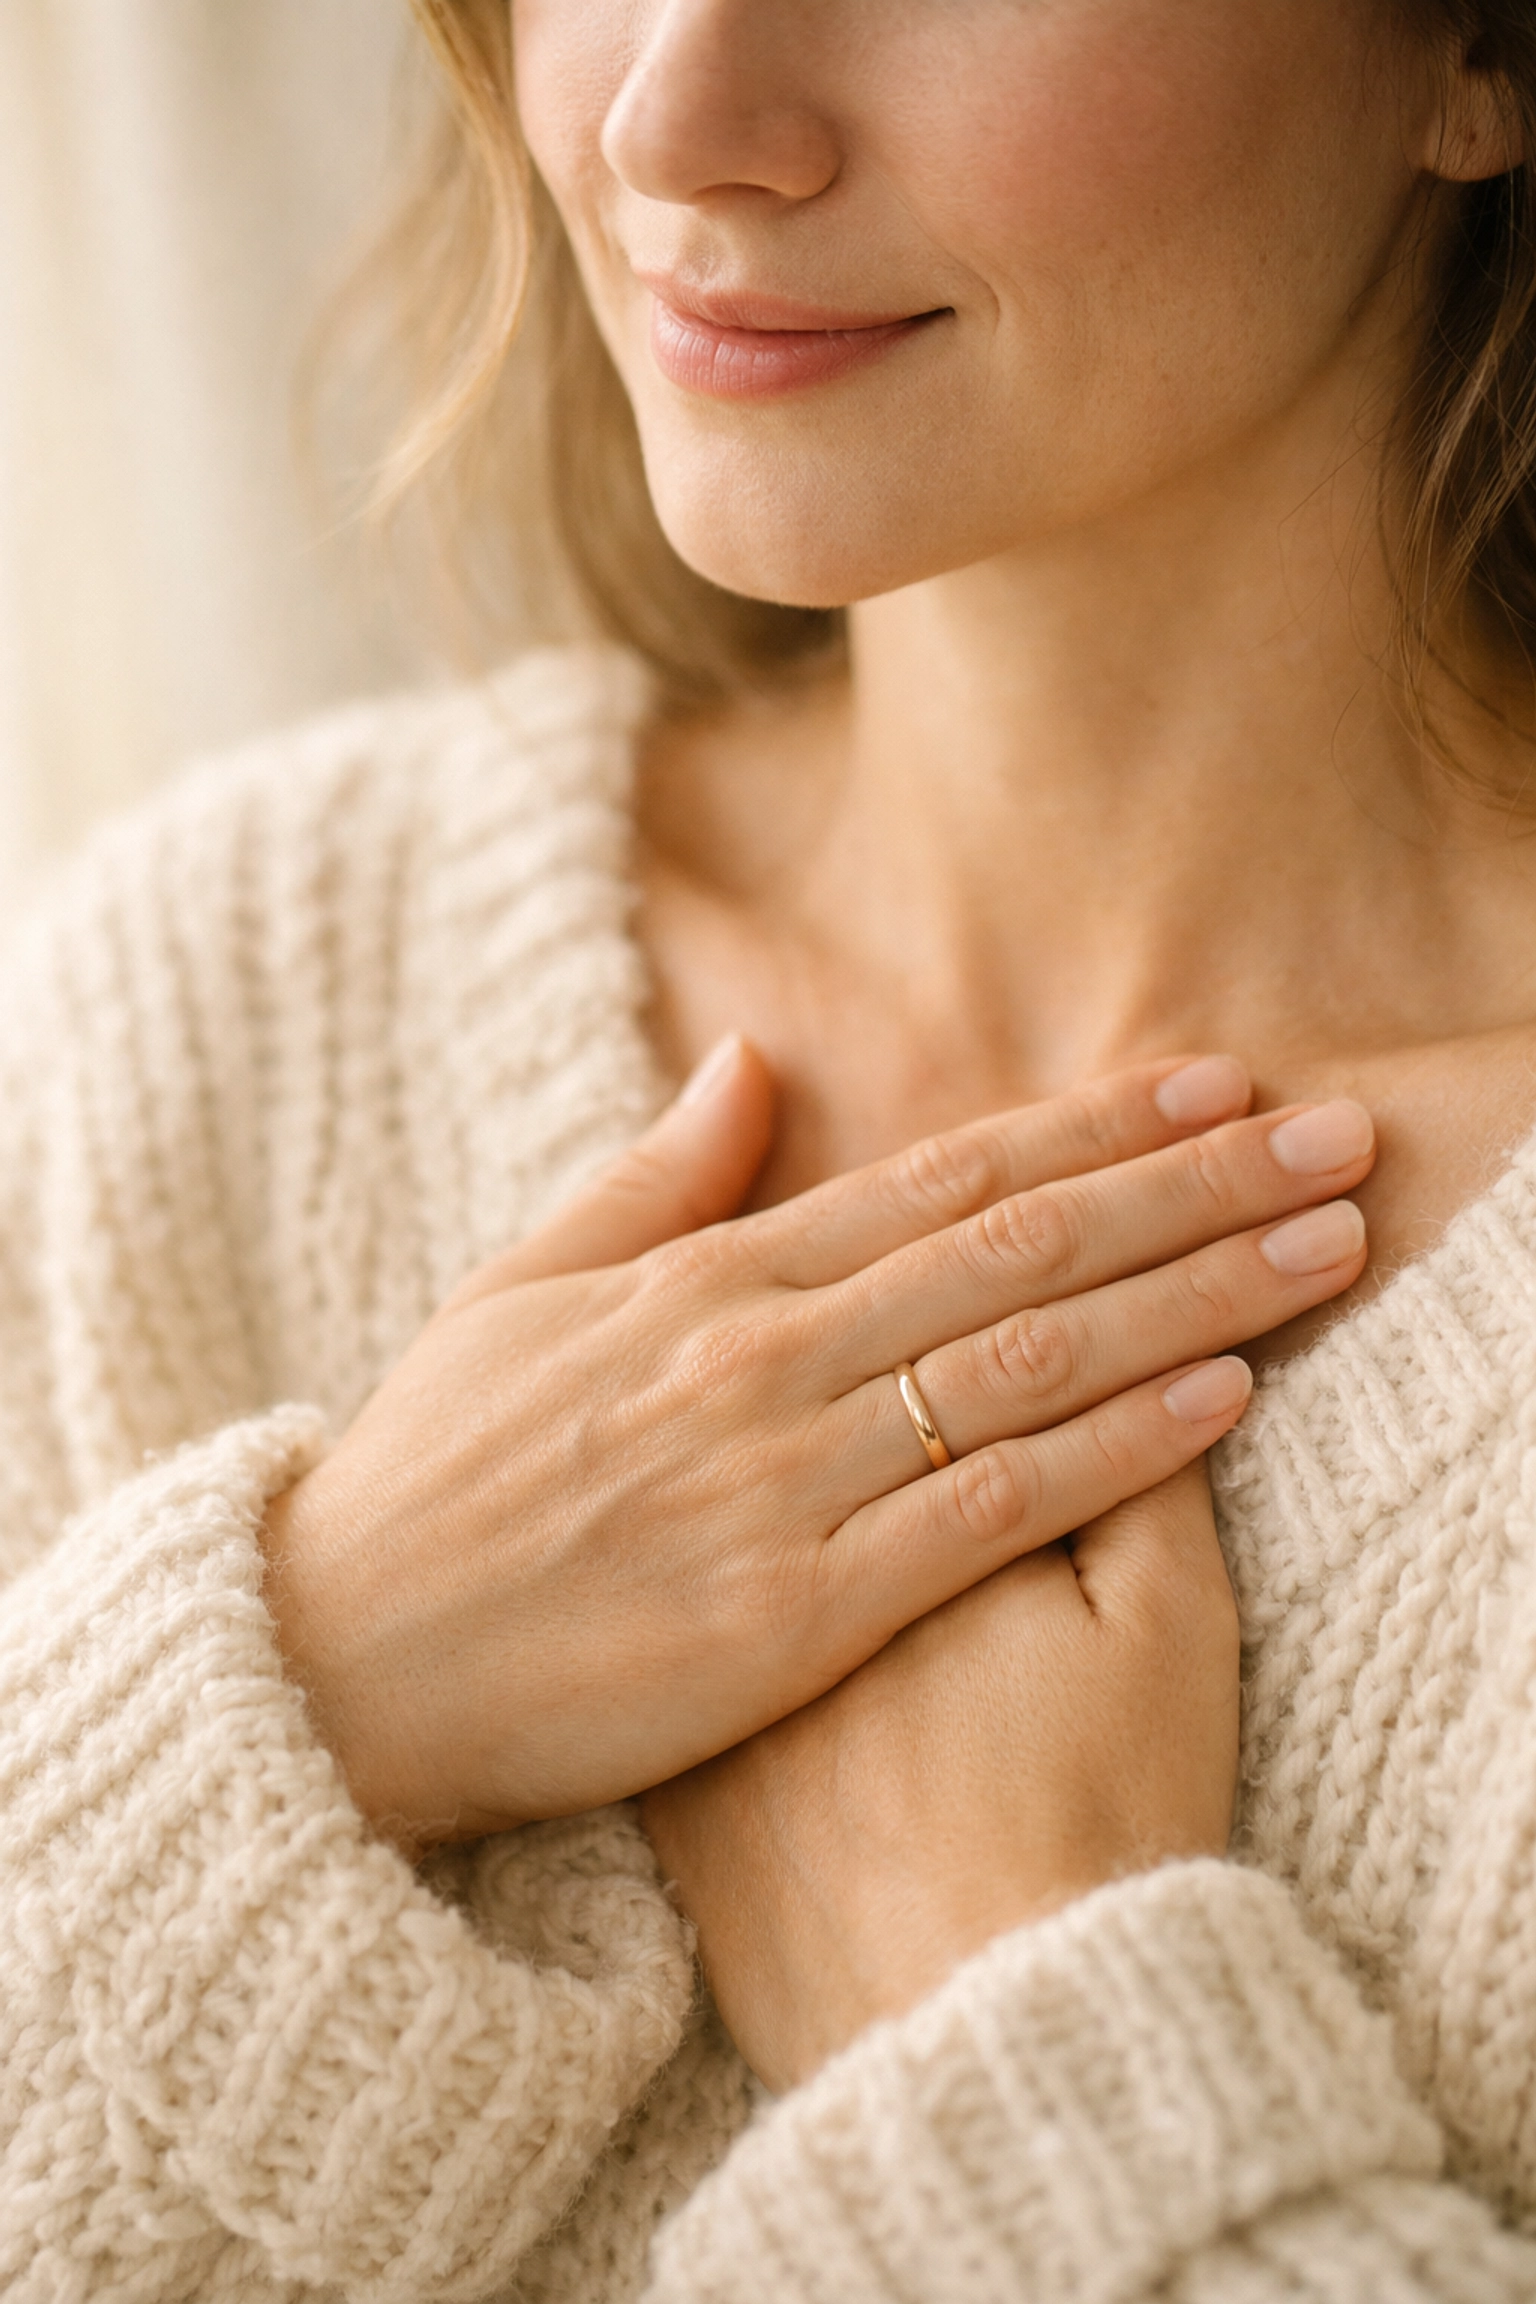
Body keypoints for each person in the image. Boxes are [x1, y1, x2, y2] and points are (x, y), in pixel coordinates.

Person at [5, 0, 1536, 2295]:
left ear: (1478, 53)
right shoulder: (207, 1017)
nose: (670, 118)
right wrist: (310, 1687)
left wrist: (1015, 2034)